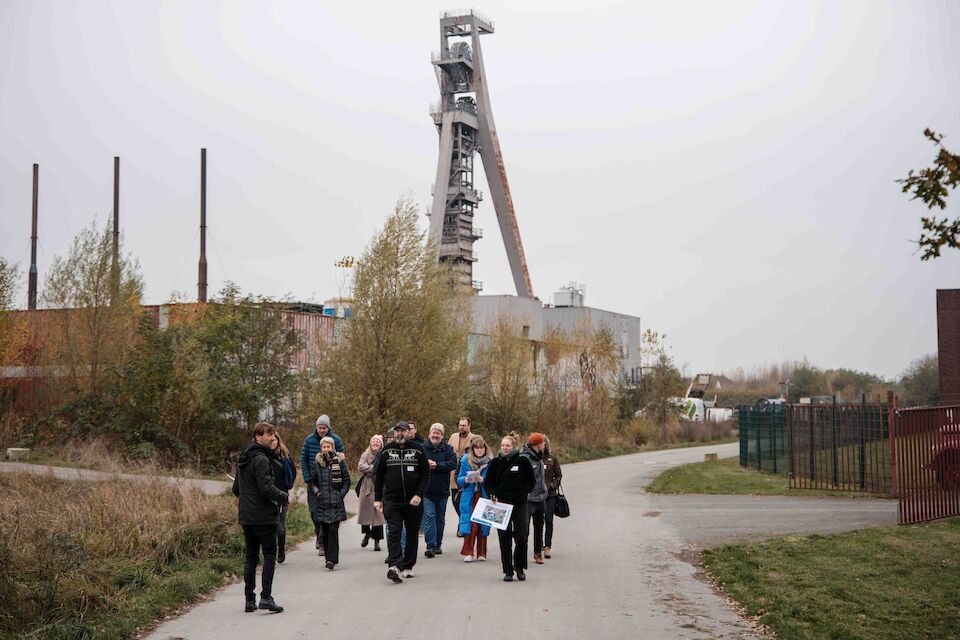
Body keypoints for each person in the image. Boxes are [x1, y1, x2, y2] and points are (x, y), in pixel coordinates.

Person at [232, 422, 289, 613]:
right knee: (270, 555)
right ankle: (266, 597)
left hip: (246, 516)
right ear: (258, 436)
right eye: (268, 435)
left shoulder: (243, 458)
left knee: (250, 557)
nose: (272, 438)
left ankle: (249, 600)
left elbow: (236, 490)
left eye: (273, 435)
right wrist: (283, 496)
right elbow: (266, 488)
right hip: (263, 516)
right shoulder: (261, 459)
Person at [374, 421, 428, 584]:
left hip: (413, 502)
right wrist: (378, 499)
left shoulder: (418, 450)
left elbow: (425, 475)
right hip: (392, 500)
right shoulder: (386, 451)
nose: (400, 434)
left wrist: (419, 494)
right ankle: (394, 565)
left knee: (412, 534)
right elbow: (379, 476)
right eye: (397, 431)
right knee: (394, 532)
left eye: (403, 431)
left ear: (409, 433)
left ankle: (408, 566)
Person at [484, 433, 535, 582]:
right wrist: (492, 493)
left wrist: (522, 491)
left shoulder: (522, 461)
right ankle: (508, 570)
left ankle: (519, 567)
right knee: (504, 538)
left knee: (521, 536)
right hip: (501, 505)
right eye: (503, 445)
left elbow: (531, 481)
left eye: (508, 445)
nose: (505, 448)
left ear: (513, 446)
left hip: (520, 504)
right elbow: (488, 483)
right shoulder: (495, 463)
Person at [301, 414, 345, 554]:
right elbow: (303, 459)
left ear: (328, 427)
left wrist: (340, 485)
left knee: (326, 516)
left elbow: (341, 458)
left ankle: (322, 542)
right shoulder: (309, 440)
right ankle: (318, 534)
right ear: (316, 427)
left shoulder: (336, 440)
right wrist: (308, 479)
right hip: (314, 482)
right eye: (319, 427)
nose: (321, 430)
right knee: (314, 512)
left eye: (324, 428)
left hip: (331, 484)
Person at [308, 436, 351, 570]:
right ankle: (328, 558)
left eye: (328, 446)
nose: (326, 449)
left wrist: (341, 494)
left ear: (333, 448)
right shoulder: (317, 464)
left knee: (333, 530)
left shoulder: (340, 462)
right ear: (321, 449)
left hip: (336, 503)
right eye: (324, 447)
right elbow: (312, 482)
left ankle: (332, 559)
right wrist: (317, 492)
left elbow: (347, 481)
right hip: (322, 503)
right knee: (325, 532)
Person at [422, 423, 457, 558]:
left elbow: (453, 463)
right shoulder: (422, 448)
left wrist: (437, 465)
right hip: (426, 490)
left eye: (438, 433)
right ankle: (430, 545)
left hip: (442, 490)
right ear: (429, 434)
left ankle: (437, 544)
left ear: (442, 436)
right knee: (429, 516)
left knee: (440, 519)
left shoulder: (448, 449)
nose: (435, 435)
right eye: (433, 433)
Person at [457, 435, 491, 562]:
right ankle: (468, 552)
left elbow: (494, 480)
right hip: (470, 496)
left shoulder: (490, 461)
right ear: (473, 449)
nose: (479, 450)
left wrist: (484, 480)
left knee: (483, 523)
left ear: (485, 448)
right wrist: (465, 479)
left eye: (481, 448)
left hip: (484, 495)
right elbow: (459, 479)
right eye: (477, 448)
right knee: (471, 524)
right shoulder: (465, 460)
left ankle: (482, 553)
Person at [520, 432, 549, 565]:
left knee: (539, 526)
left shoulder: (540, 456)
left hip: (541, 498)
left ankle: (538, 554)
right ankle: (522, 555)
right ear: (537, 445)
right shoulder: (524, 458)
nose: (544, 445)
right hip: (528, 499)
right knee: (524, 528)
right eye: (542, 443)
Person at [357, 434, 385, 552]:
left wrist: (371, 468)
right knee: (365, 512)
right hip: (366, 486)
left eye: (377, 442)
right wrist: (375, 468)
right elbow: (361, 467)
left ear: (381, 444)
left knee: (378, 514)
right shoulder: (365, 454)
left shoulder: (384, 454)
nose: (375, 444)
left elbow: (384, 468)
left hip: (379, 485)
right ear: (370, 443)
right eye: (373, 442)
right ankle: (367, 533)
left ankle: (377, 541)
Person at [271, 434, 297, 564]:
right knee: (270, 526)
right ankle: (270, 551)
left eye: (274, 439)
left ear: (278, 440)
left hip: (282, 495)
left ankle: (281, 549)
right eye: (270, 440)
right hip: (267, 496)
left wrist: (287, 487)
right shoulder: (262, 456)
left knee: (280, 527)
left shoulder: (285, 457)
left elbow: (292, 472)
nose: (272, 442)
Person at [448, 417, 478, 517]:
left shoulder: (475, 438)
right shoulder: (453, 437)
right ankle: (462, 521)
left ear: (469, 426)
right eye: (460, 425)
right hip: (454, 474)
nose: (462, 427)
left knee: (466, 502)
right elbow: (448, 452)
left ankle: (464, 525)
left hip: (467, 473)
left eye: (464, 425)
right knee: (455, 502)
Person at [542, 435, 562, 559]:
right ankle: (538, 544)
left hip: (550, 495)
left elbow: (559, 475)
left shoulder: (552, 458)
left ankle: (547, 546)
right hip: (537, 495)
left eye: (543, 443)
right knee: (537, 521)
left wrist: (552, 485)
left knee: (548, 520)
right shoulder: (532, 459)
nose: (541, 445)